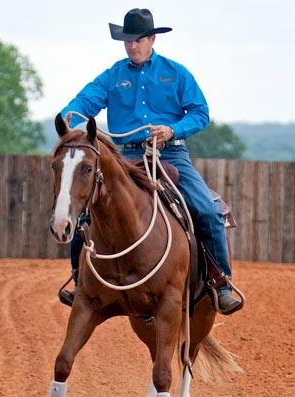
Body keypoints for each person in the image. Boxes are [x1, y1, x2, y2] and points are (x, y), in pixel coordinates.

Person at [59, 8, 241, 314]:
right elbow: (83, 102)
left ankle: (220, 282)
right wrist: (68, 118)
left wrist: (173, 130)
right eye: (128, 41)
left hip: (171, 153)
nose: (132, 46)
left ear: (152, 39)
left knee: (207, 211)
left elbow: (200, 113)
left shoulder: (176, 73)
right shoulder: (113, 76)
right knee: (86, 213)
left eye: (139, 40)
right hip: (127, 156)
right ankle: (81, 281)